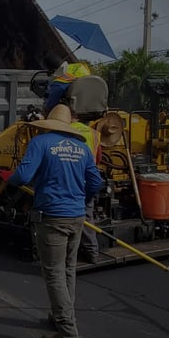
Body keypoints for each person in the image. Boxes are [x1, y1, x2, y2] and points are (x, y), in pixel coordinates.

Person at [0, 104, 103, 338]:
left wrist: (7, 177)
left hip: (52, 216)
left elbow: (23, 177)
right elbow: (96, 182)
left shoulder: (42, 143)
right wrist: (79, 198)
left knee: (54, 274)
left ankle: (68, 335)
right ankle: (60, 316)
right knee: (68, 270)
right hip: (76, 217)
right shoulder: (82, 148)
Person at [67, 109, 101, 264]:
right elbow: (98, 156)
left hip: (71, 178)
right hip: (89, 177)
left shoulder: (65, 130)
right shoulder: (93, 133)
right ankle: (92, 252)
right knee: (87, 215)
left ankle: (69, 254)